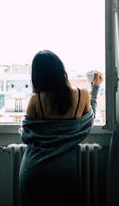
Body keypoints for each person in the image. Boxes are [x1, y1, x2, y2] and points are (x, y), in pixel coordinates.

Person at [19, 50, 103, 206]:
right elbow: (88, 122)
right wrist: (95, 89)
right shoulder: (82, 95)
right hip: (64, 173)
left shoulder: (35, 99)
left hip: (34, 171)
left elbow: (26, 135)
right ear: (60, 70)